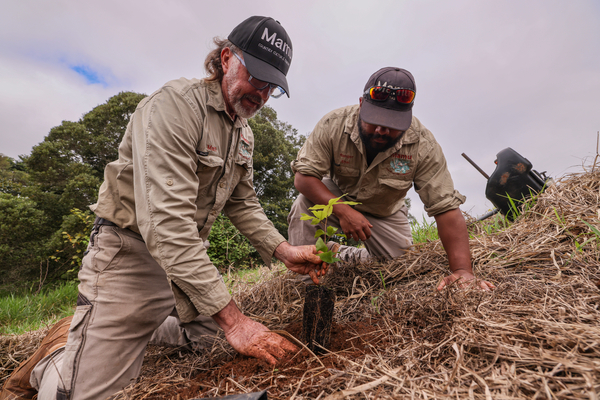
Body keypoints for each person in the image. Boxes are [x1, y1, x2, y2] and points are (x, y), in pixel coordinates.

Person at [1, 16, 326, 400]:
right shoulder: (174, 107)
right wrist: (236, 321)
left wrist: (282, 249)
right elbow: (167, 226)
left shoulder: (243, 130)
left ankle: (143, 324)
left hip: (185, 260)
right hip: (131, 254)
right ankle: (58, 355)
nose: (262, 93)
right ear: (225, 58)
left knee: (216, 346)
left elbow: (242, 201)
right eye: (256, 77)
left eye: (272, 86)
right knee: (83, 396)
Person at [287, 67, 495, 291]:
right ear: (360, 104)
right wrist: (343, 210)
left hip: (385, 211)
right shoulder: (333, 125)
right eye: (374, 120)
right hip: (337, 196)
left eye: (392, 125)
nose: (381, 130)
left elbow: (445, 208)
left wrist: (462, 271)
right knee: (304, 204)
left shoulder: (423, 144)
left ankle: (342, 253)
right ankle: (308, 285)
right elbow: (304, 178)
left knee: (400, 269)